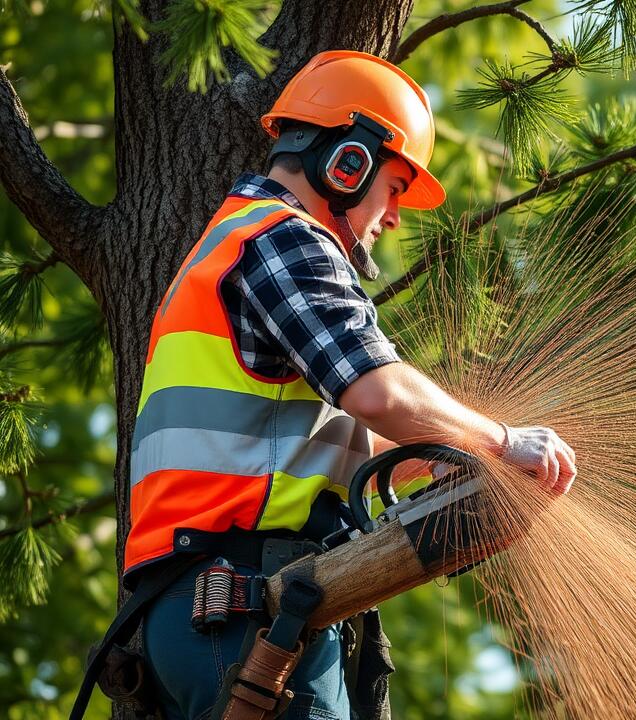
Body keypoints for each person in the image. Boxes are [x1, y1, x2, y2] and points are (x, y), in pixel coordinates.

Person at [118, 50, 576, 720]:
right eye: (394, 188)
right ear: (348, 164)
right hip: (246, 603)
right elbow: (379, 395)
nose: (393, 218)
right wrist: (504, 442)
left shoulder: (237, 247)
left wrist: (481, 460)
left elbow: (364, 437)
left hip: (226, 607)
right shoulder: (283, 240)